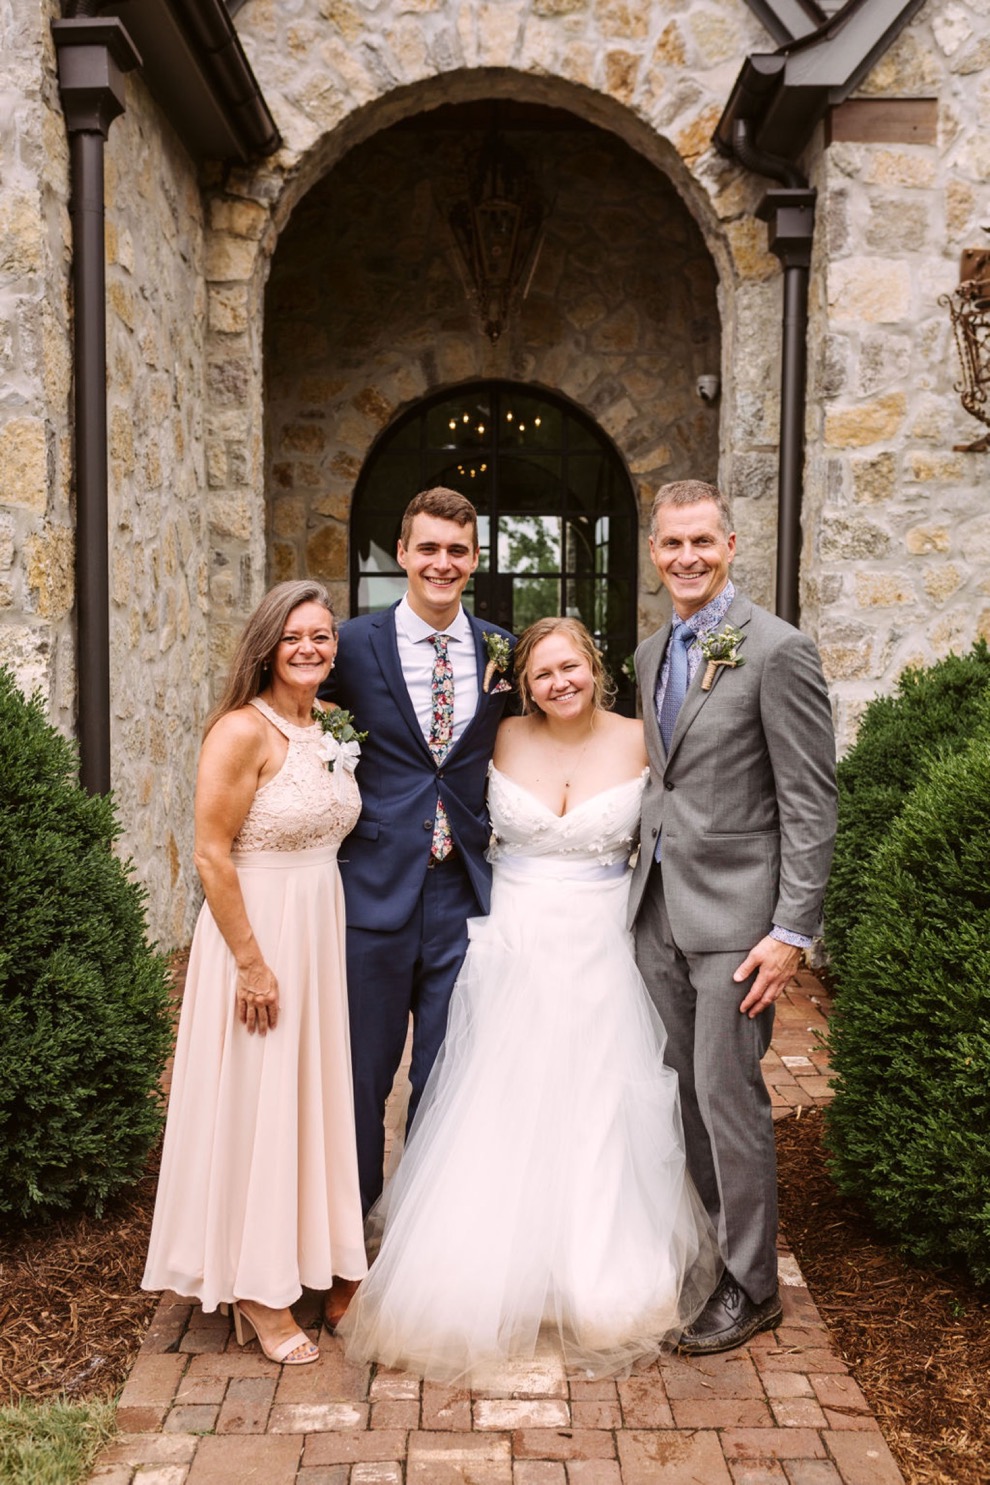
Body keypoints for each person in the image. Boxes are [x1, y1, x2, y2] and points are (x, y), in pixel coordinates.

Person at [337, 617, 720, 1382]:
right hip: (512, 937)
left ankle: (595, 1269)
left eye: (570, 666)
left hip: (603, 940)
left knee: (598, 1099)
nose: (559, 682)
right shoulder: (500, 736)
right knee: (502, 1097)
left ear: (594, 665)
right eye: (542, 672)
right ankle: (488, 1265)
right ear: (522, 681)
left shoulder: (643, 738)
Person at [629, 479, 838, 1356]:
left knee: (730, 1099)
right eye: (671, 543)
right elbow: (665, 781)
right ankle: (716, 1250)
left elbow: (811, 801)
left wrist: (792, 931)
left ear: (731, 543)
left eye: (702, 543)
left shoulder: (778, 650)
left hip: (741, 927)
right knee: (681, 1095)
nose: (686, 557)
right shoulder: (648, 653)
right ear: (653, 552)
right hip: (658, 915)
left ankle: (753, 1286)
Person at [143, 580, 367, 1365]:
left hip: (317, 928)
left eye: (322, 636)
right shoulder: (242, 730)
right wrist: (251, 962)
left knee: (304, 1099)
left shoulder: (325, 724)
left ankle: (310, 1257)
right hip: (260, 935)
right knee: (259, 1101)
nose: (310, 648)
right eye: (294, 636)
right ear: (267, 645)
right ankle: (258, 1289)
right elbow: (211, 852)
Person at [322, 487, 515, 1247]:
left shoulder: (502, 647)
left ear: (475, 559)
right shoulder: (351, 644)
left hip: (464, 891)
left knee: (446, 1072)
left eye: (458, 550)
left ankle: (421, 1237)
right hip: (369, 890)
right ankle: (348, 1233)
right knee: (363, 1076)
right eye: (428, 547)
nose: (443, 563)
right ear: (403, 552)